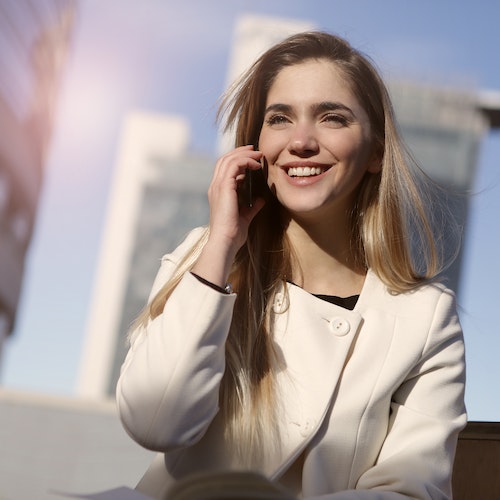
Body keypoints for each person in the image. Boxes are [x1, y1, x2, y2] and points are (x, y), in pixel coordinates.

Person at [116, 31, 466, 499]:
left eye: (332, 118)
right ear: (256, 146)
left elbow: (408, 491)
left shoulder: (424, 318)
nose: (301, 141)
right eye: (279, 118)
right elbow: (154, 423)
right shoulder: (206, 259)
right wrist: (221, 243)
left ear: (376, 152)